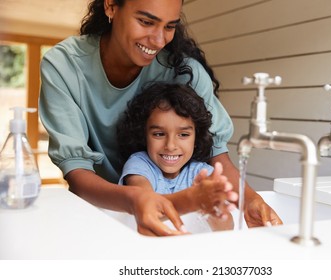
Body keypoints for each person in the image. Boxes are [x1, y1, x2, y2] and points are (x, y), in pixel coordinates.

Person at [39, 0, 282, 236]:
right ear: (111, 6)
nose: (158, 40)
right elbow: (77, 173)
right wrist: (138, 199)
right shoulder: (64, 66)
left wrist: (250, 200)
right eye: (146, 21)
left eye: (169, 26)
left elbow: (217, 155)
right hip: (98, 213)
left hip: (159, 208)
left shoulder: (186, 72)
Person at [117, 82, 235, 231]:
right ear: (143, 135)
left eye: (183, 135)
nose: (171, 146)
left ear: (196, 138)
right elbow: (149, 209)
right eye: (159, 134)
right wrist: (195, 199)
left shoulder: (202, 173)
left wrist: (215, 210)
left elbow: (226, 230)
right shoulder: (138, 165)